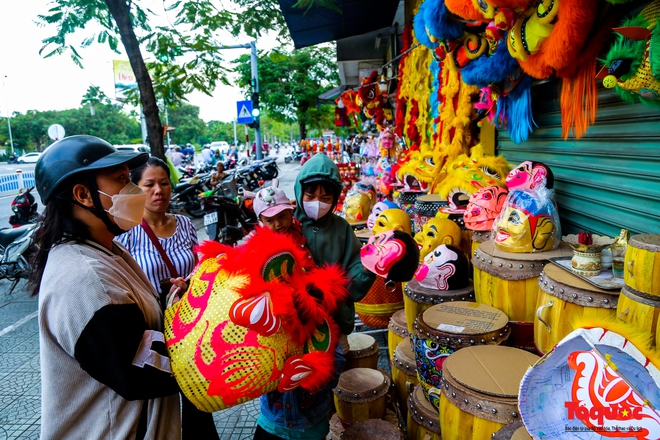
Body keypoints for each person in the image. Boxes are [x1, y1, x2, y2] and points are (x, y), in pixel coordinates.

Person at [31, 135, 181, 439]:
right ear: (83, 194)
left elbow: (140, 324)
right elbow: (141, 374)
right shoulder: (86, 278)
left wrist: (174, 300)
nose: (133, 190)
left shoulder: (107, 249)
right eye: (121, 180)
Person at [254, 153, 376, 440]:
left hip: (329, 330)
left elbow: (354, 275)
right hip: (287, 331)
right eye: (311, 194)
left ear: (335, 196)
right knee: (280, 393)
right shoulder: (284, 223)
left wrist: (371, 266)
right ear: (299, 191)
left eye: (326, 195)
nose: (318, 201)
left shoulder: (343, 229)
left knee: (317, 392)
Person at [116, 157, 219, 440]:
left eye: (164, 183)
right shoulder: (127, 233)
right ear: (136, 189)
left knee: (199, 402)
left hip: (191, 328)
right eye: (149, 184)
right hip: (155, 332)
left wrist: (192, 283)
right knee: (162, 405)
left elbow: (201, 266)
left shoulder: (185, 224)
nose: (158, 190)